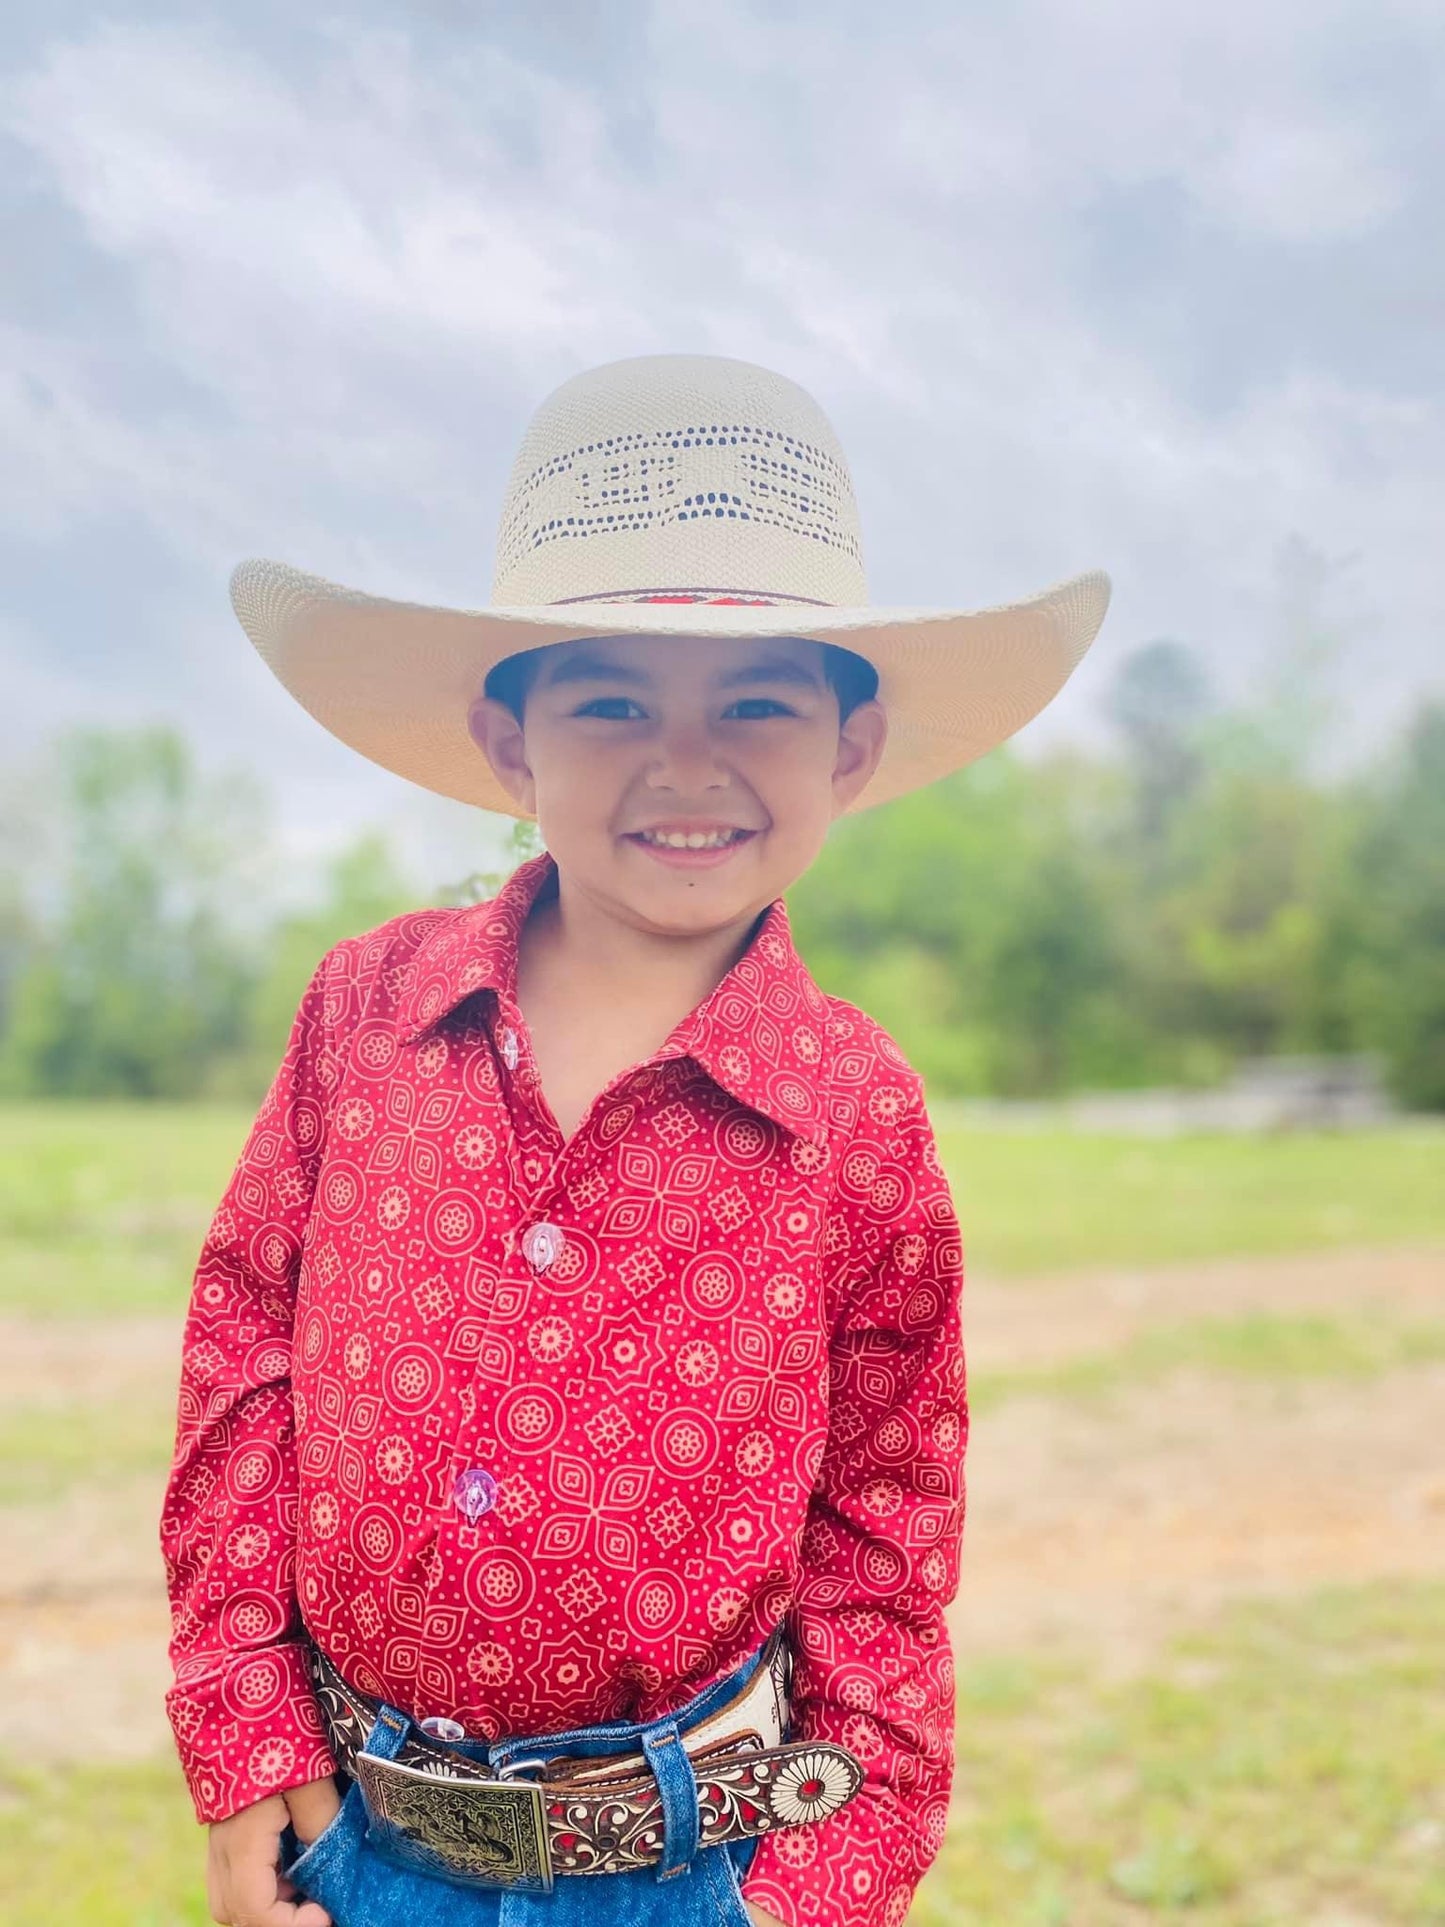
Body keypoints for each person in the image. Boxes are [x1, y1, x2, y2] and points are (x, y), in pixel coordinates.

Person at [161, 353, 1109, 1927]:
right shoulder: (364, 1012)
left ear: (849, 752)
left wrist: (820, 1887)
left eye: (756, 702)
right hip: (354, 1839)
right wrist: (244, 1734)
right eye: (610, 702)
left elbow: (884, 1518)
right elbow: (242, 1354)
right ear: (511, 740)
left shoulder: (857, 1114)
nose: (686, 762)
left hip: (699, 1870)